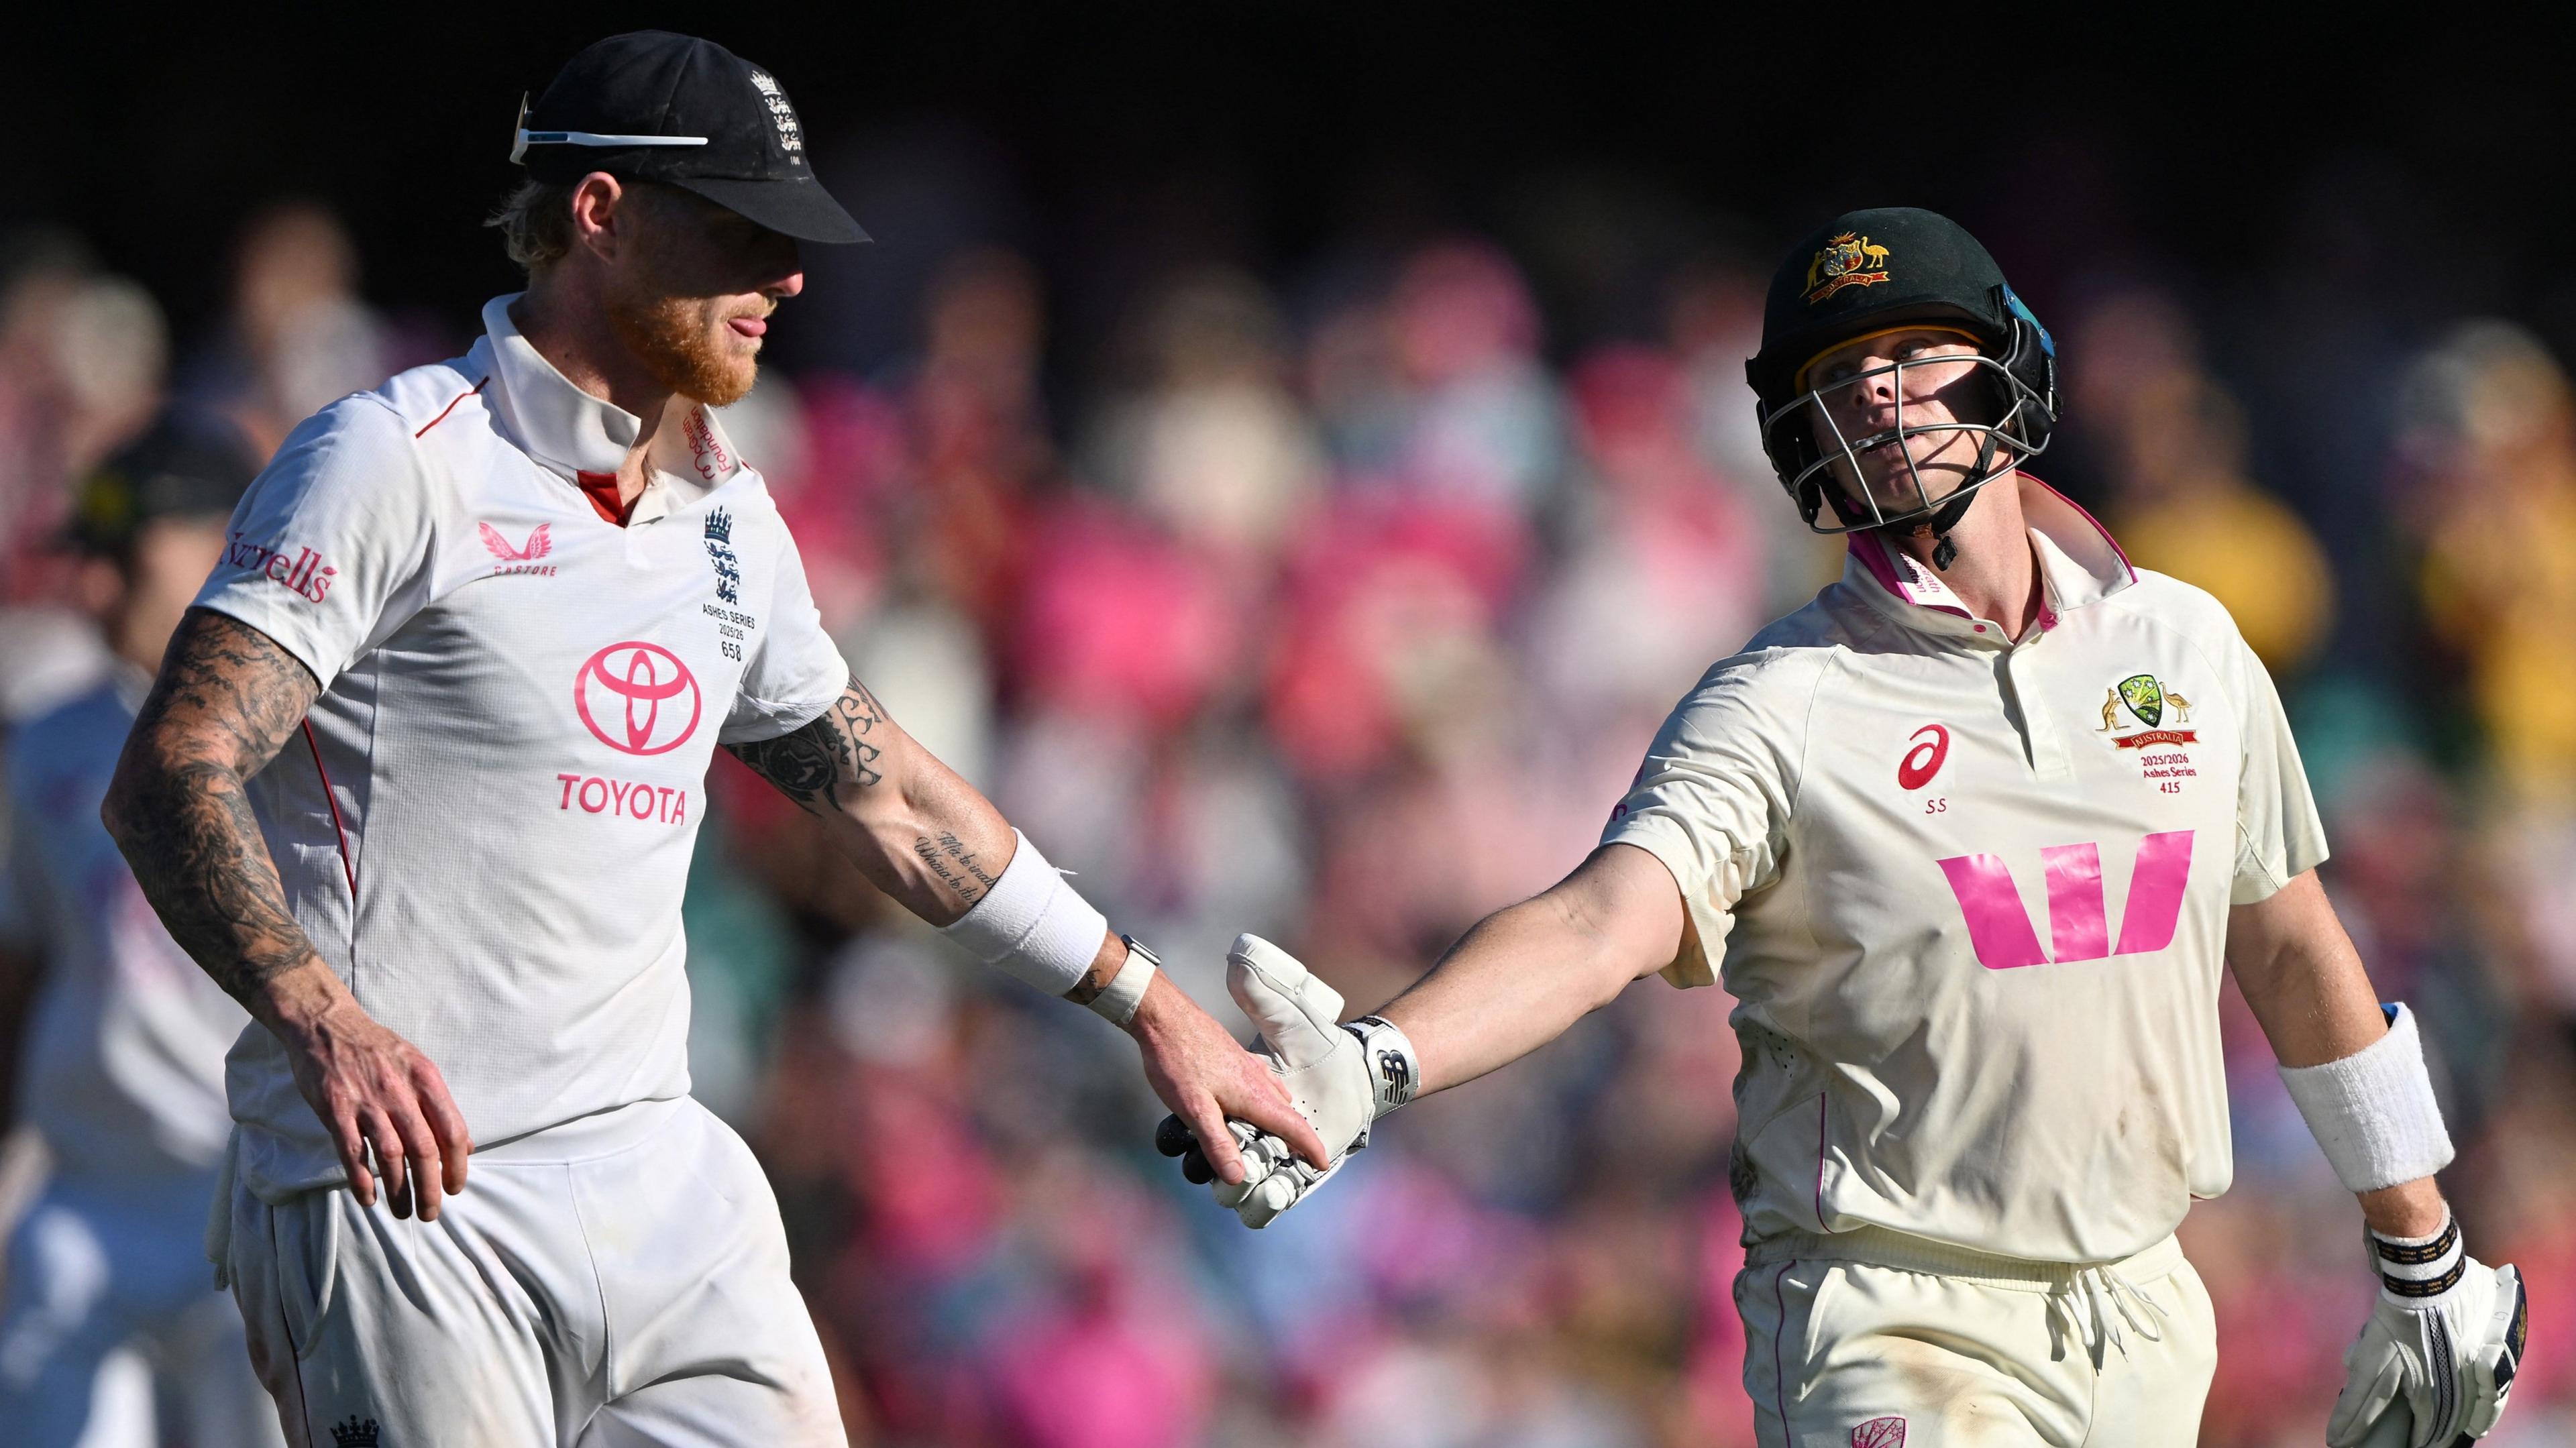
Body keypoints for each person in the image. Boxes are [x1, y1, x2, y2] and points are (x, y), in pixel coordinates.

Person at [101, 32, 1320, 1448]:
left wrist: (1149, 1005)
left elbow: (896, 807)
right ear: (600, 215)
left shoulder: (732, 512)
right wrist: (324, 1020)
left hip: (658, 1171)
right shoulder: (391, 458)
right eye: (742, 231)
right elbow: (168, 775)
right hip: (404, 1191)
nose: (788, 277)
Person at [1163, 209, 2527, 1446]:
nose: (1877, 394)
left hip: (2143, 1311)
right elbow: (1600, 921)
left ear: (2011, 368)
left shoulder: (2189, 646)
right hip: (1888, 1319)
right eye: (1837, 375)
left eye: (1913, 351)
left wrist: (2424, 1254)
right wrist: (1381, 1056)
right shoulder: (1781, 702)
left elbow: (2288, 943)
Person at [0, 412, 280, 1447]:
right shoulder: (45, 745)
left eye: (126, 556)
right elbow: (21, 970)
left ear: (226, 540)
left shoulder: (309, 738)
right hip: (88, 1194)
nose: (94, 591)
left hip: (252, 1184)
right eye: (89, 559)